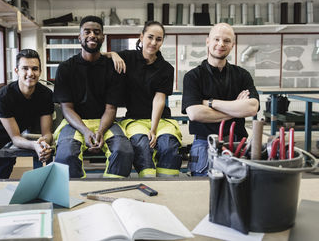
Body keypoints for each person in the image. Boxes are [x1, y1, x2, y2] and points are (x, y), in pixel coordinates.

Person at [53, 15, 134, 178]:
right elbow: (66, 108)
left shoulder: (113, 68)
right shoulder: (65, 68)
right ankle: (75, 193)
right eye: (87, 31)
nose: (92, 35)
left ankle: (112, 189)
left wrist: (100, 131)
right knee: (66, 155)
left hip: (105, 121)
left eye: (97, 32)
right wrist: (85, 131)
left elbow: (111, 108)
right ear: (79, 37)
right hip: (75, 123)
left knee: (123, 151)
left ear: (102, 37)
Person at [105, 21, 183, 178]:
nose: (154, 43)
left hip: (161, 120)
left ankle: (168, 184)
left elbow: (159, 100)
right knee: (142, 146)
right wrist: (113, 54)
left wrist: (153, 129)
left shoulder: (166, 68)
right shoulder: (127, 57)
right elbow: (98, 56)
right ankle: (148, 180)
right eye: (150, 37)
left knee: (168, 146)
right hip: (135, 119)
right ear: (141, 37)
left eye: (159, 39)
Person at [182, 23, 259, 176]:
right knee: (201, 191)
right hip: (204, 142)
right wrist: (237, 109)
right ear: (207, 41)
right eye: (216, 39)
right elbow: (195, 114)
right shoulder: (192, 77)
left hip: (238, 142)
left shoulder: (242, 75)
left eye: (227, 40)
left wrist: (211, 103)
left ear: (232, 45)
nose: (221, 44)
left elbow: (252, 107)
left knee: (239, 190)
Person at [0, 49, 54, 182]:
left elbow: (47, 133)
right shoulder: (4, 96)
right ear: (16, 71)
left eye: (35, 69)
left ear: (40, 71)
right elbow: (15, 137)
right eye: (25, 68)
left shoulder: (46, 95)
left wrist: (44, 145)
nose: (30, 73)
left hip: (5, 144)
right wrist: (35, 145)